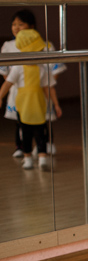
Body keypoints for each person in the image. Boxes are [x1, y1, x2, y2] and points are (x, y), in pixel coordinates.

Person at [0, 10, 66, 158]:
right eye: (14, 24)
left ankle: (45, 144)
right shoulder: (8, 46)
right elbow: (5, 71)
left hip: (39, 90)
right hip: (20, 90)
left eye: (21, 24)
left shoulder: (44, 45)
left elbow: (54, 68)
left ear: (31, 26)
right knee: (21, 120)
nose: (16, 27)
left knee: (42, 119)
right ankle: (22, 147)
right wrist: (13, 82)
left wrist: (46, 82)